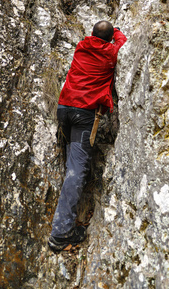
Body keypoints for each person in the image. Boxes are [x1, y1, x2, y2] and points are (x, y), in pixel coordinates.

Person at [48, 20, 127, 252]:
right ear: (109, 38)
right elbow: (121, 44)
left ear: (92, 34)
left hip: (64, 109)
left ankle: (66, 213)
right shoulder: (110, 53)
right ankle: (60, 234)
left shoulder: (81, 46)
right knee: (76, 170)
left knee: (71, 159)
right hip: (84, 114)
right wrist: (119, 33)